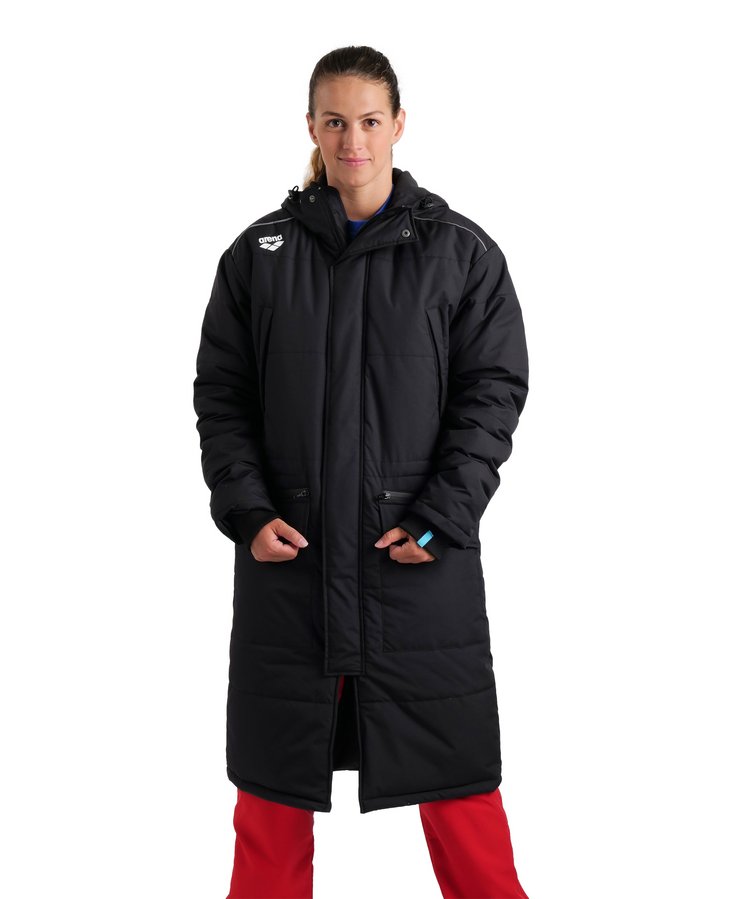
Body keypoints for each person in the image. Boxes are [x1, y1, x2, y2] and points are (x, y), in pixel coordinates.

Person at [193, 45, 530, 899]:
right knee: (270, 804)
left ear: (399, 125)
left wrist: (441, 515)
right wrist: (247, 508)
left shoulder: (460, 253)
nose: (353, 141)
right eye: (335, 121)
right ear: (311, 126)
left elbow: (493, 394)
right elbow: (222, 396)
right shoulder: (258, 256)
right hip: (290, 567)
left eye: (370, 120)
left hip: (415, 567)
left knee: (462, 796)